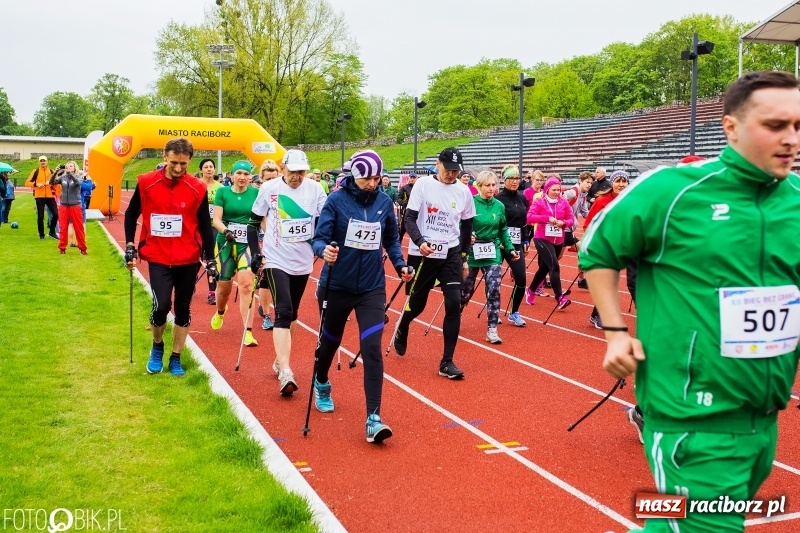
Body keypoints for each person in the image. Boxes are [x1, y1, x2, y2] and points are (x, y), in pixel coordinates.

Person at [580, 70, 800, 533]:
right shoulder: (673, 190)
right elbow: (598, 247)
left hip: (763, 420)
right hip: (691, 417)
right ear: (732, 127)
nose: (790, 138)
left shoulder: (796, 201)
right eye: (775, 125)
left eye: (797, 126)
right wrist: (616, 332)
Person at [311, 150, 413, 442]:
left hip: (371, 287)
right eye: (367, 178)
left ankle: (373, 418)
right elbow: (319, 238)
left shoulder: (384, 202)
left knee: (371, 348)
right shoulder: (336, 200)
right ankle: (321, 381)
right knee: (330, 343)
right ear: (355, 176)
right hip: (337, 285)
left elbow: (391, 239)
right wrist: (324, 250)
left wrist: (400, 264)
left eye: (377, 178)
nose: (372, 183)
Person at [124, 138, 216, 377]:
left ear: (190, 161)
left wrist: (211, 258)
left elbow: (205, 225)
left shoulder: (197, 187)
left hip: (188, 257)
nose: (178, 168)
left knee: (183, 309)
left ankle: (176, 357)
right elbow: (131, 213)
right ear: (164, 157)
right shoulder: (146, 182)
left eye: (183, 164)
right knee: (161, 305)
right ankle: (157, 346)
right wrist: (130, 244)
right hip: (158, 256)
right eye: (174, 162)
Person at [246, 149, 327, 395]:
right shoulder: (268, 188)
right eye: (293, 172)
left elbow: (326, 220)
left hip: (303, 261)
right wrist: (255, 253)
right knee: (284, 310)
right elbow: (252, 224)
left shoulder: (315, 189)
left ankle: (280, 359)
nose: (297, 177)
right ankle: (286, 371)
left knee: (293, 313)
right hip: (275, 259)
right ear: (283, 169)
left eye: (301, 172)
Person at [393, 148, 475, 379]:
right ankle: (403, 324)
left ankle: (447, 361)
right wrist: (420, 242)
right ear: (438, 164)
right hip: (424, 252)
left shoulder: (463, 191)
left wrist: (463, 256)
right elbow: (409, 219)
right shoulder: (422, 185)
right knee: (417, 304)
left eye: (455, 171)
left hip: (450, 252)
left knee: (454, 303)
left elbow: (467, 225)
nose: (451, 174)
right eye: (448, 169)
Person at [461, 170, 519, 343]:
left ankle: (492, 329)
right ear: (479, 186)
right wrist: (466, 236)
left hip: (492, 251)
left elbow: (503, 229)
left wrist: (510, 248)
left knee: (494, 289)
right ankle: (455, 315)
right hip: (472, 251)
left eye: (494, 185)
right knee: (465, 292)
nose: (491, 189)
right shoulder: (470, 203)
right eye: (487, 185)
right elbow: (460, 225)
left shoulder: (499, 206)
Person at [210, 161, 260, 347]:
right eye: (239, 173)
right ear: (231, 175)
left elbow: (262, 218)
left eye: (246, 174)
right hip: (226, 241)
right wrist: (226, 231)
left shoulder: (256, 193)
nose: (242, 177)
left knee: (247, 284)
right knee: (224, 287)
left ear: (250, 177)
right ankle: (220, 311)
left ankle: (248, 331)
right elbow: (216, 219)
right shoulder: (222, 192)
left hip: (247, 243)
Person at [583, 170, 629, 329]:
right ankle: (600, 315)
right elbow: (588, 224)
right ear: (612, 183)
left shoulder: (630, 201)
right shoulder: (602, 201)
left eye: (624, 181)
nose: (621, 185)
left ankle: (596, 314)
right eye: (618, 181)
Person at [525, 177, 574, 310]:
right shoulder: (539, 201)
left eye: (559, 190)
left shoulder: (563, 202)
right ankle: (560, 297)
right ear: (547, 190)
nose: (557, 192)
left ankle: (531, 290)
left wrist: (564, 223)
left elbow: (571, 219)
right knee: (554, 266)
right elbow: (529, 217)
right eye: (554, 190)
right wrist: (547, 218)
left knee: (545, 268)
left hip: (558, 239)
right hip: (542, 238)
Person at [495, 165, 530, 326]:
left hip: (515, 243)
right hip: (499, 244)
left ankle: (514, 312)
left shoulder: (522, 198)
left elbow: (524, 222)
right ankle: (494, 311)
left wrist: (525, 240)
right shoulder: (498, 199)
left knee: (521, 278)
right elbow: (493, 223)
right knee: (494, 280)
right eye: (511, 178)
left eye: (517, 178)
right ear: (504, 180)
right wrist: (498, 240)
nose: (515, 181)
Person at [256, 159, 280, 330]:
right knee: (266, 278)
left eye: (274, 178)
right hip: (265, 240)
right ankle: (266, 314)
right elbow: (261, 219)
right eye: (268, 179)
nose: (272, 182)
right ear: (261, 180)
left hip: (284, 242)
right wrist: (270, 235)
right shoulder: (261, 194)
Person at [197, 158, 222, 305]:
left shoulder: (220, 188)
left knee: (212, 260)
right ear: (201, 170)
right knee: (196, 257)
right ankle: (191, 279)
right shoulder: (196, 185)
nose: (209, 169)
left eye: (211, 166)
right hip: (197, 227)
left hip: (213, 227)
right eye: (206, 167)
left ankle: (212, 292)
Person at [49, 161, 87, 255]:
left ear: (74, 168)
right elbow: (51, 182)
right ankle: (62, 248)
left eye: (71, 166)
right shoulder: (63, 177)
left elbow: (78, 183)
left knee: (78, 227)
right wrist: (55, 172)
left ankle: (83, 248)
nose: (69, 167)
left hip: (75, 205)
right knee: (63, 227)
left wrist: (70, 174)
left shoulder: (79, 176)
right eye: (67, 166)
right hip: (64, 205)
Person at [27, 156, 58, 240]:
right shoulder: (35, 171)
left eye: (44, 161)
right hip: (39, 196)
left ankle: (52, 232)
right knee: (40, 216)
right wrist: (36, 184)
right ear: (39, 162)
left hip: (50, 196)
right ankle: (41, 234)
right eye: (41, 161)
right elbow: (27, 183)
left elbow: (57, 183)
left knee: (56, 214)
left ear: (47, 162)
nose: (43, 162)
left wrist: (51, 183)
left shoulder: (51, 171)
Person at [397, 172, 417, 241]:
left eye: (414, 178)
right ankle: (398, 244)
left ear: (416, 178)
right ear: (409, 178)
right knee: (402, 230)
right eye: (411, 178)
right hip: (406, 212)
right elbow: (398, 198)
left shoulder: (419, 188)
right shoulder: (404, 188)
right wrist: (403, 203)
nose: (412, 179)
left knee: (416, 230)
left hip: (417, 212)